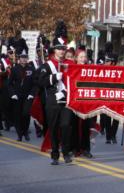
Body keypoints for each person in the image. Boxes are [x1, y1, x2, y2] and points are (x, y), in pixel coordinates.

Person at [38, 36, 74, 165]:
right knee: (53, 128)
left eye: (63, 49)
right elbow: (41, 82)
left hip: (66, 100)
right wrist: (53, 77)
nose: (61, 51)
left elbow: (75, 82)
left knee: (65, 126)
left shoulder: (70, 64)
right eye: (59, 49)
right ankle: (54, 154)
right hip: (52, 101)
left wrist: (64, 92)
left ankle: (66, 153)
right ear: (54, 50)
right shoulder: (47, 65)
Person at [8, 50, 37, 141]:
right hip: (17, 96)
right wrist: (12, 94)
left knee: (26, 114)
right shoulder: (14, 69)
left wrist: (32, 94)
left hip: (28, 96)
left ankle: (25, 131)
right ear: (19, 59)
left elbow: (35, 83)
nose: (24, 59)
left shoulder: (32, 69)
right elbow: (9, 84)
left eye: (25, 58)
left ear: (27, 59)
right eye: (22, 58)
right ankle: (19, 134)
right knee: (17, 115)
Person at [70, 48, 93, 158]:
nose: (83, 59)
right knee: (74, 125)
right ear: (76, 58)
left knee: (85, 126)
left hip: (86, 102)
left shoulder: (90, 69)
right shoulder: (72, 68)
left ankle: (86, 149)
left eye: (85, 57)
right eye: (81, 57)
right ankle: (75, 148)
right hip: (75, 101)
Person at [101, 53, 119, 144]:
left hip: (117, 97)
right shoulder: (102, 70)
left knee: (116, 118)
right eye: (106, 60)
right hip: (106, 97)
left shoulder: (119, 70)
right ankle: (108, 136)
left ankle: (113, 135)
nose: (105, 62)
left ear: (112, 62)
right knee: (106, 118)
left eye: (107, 61)